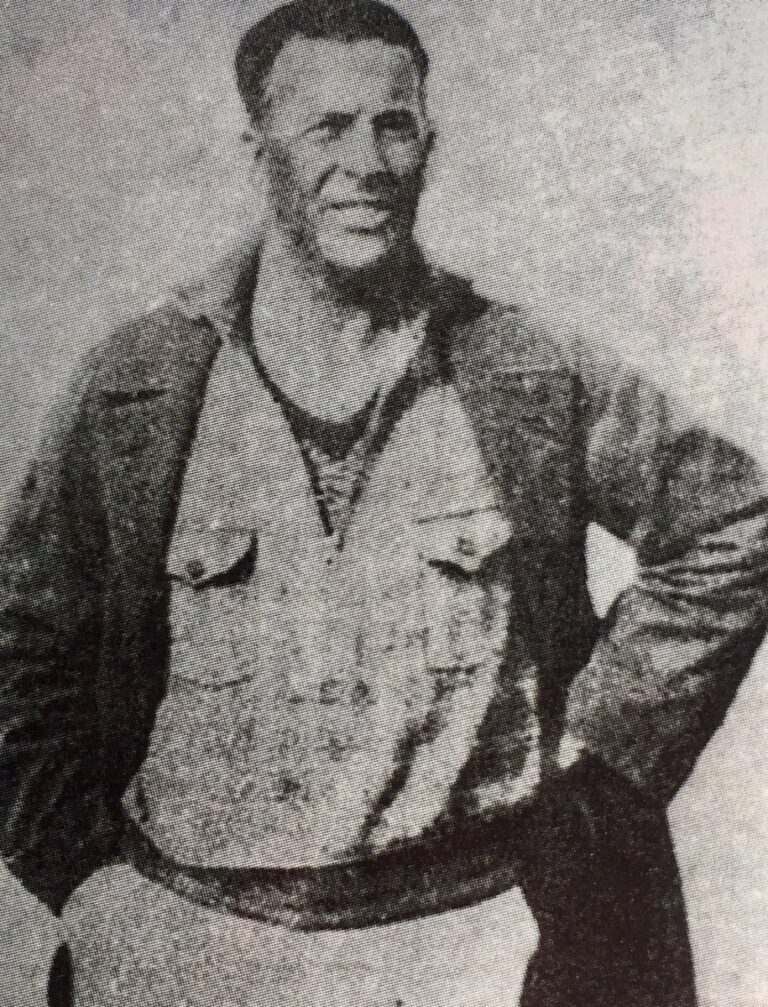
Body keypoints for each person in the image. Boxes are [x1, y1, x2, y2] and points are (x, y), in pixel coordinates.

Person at [1, 2, 767, 1004]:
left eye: (393, 126)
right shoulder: (142, 385)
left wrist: (602, 752)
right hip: (200, 947)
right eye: (328, 127)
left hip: (473, 943)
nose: (367, 162)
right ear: (258, 149)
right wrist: (87, 883)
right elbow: (20, 643)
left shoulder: (519, 369)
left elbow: (733, 520)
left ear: (427, 146)